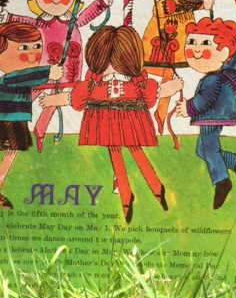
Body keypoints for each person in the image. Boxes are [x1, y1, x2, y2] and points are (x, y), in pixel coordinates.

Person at [40, 25, 183, 223]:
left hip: (130, 120)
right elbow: (74, 98)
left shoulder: (136, 82)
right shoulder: (94, 84)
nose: (112, 67)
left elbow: (154, 94)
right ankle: (126, 196)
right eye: (107, 62)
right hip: (106, 122)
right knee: (115, 153)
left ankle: (156, 188)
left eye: (117, 61)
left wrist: (173, 86)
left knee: (136, 151)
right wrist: (52, 100)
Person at [0, 0, 114, 151]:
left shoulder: (72, 22)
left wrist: (102, 3)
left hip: (68, 69)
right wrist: (8, 17)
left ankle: (40, 131)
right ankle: (11, 123)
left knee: (54, 100)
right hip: (42, 69)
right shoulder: (40, 23)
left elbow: (86, 16)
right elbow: (25, 21)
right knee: (29, 94)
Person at [0, 22, 63, 209]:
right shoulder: (14, 76)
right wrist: (48, 72)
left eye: (37, 47)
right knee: (13, 148)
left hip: (11, 115)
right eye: (24, 48)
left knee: (12, 147)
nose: (33, 54)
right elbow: (24, 77)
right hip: (8, 115)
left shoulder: (11, 79)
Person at [135, 0, 225, 133]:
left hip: (178, 49)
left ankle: (160, 116)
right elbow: (169, 8)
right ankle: (153, 114)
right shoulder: (165, 3)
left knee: (170, 77)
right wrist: (200, 4)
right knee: (160, 77)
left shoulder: (186, 5)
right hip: (158, 47)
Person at [175, 17, 236, 210]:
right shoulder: (223, 70)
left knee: (209, 149)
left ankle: (222, 181)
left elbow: (204, 100)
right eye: (192, 42)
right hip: (217, 116)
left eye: (205, 44)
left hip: (212, 117)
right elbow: (232, 64)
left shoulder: (212, 80)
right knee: (202, 150)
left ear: (224, 52)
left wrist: (188, 108)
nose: (196, 50)